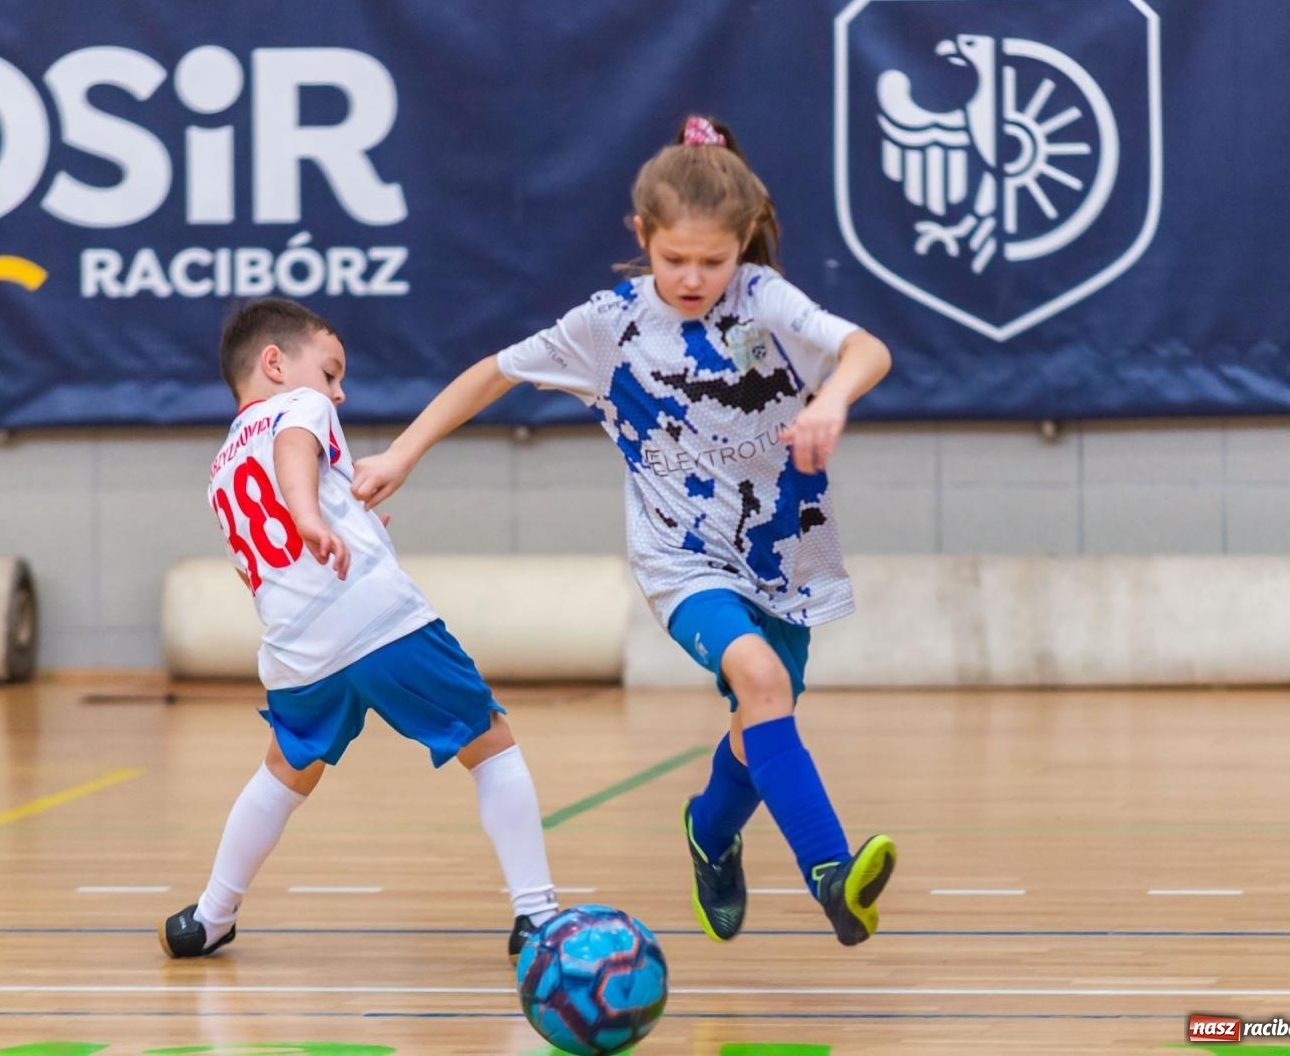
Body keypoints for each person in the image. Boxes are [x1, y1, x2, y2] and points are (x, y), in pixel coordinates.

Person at [351, 115, 897, 947]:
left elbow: (867, 350)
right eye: (674, 259)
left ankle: (710, 833)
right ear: (642, 236)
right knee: (758, 681)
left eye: (712, 262)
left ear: (743, 243)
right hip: (681, 559)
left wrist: (830, 400)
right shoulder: (607, 325)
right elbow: (490, 375)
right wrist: (404, 452)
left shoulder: (764, 299)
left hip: (784, 551)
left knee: (763, 714)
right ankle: (831, 875)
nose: (691, 277)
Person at [161, 297, 559, 960]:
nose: (337, 393)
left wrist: (340, 520)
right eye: (331, 373)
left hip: (295, 647)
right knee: (491, 744)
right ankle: (538, 915)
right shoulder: (299, 409)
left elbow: (252, 567)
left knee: (286, 771)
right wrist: (313, 518)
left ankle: (210, 915)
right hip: (376, 620)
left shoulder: (223, 466)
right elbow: (296, 451)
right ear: (275, 363)